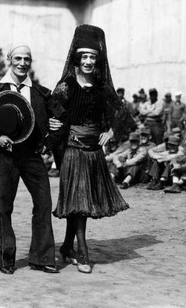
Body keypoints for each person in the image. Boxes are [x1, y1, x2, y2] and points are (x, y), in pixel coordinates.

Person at [47, 25, 133, 274]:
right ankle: (83, 252)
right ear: (76, 57)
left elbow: (121, 112)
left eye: (92, 57)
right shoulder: (66, 85)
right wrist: (54, 122)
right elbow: (51, 109)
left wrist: (112, 132)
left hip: (94, 151)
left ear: (98, 60)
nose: (88, 61)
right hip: (72, 149)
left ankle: (66, 247)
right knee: (80, 199)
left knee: (80, 201)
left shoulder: (101, 86)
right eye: (84, 56)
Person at [0, 43, 59, 275]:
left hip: (32, 156)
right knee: (4, 207)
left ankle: (42, 258)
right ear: (9, 60)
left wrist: (50, 137)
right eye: (18, 58)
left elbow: (61, 119)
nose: (22, 63)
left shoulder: (42, 93)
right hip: (5, 157)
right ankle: (5, 259)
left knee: (43, 203)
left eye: (27, 59)